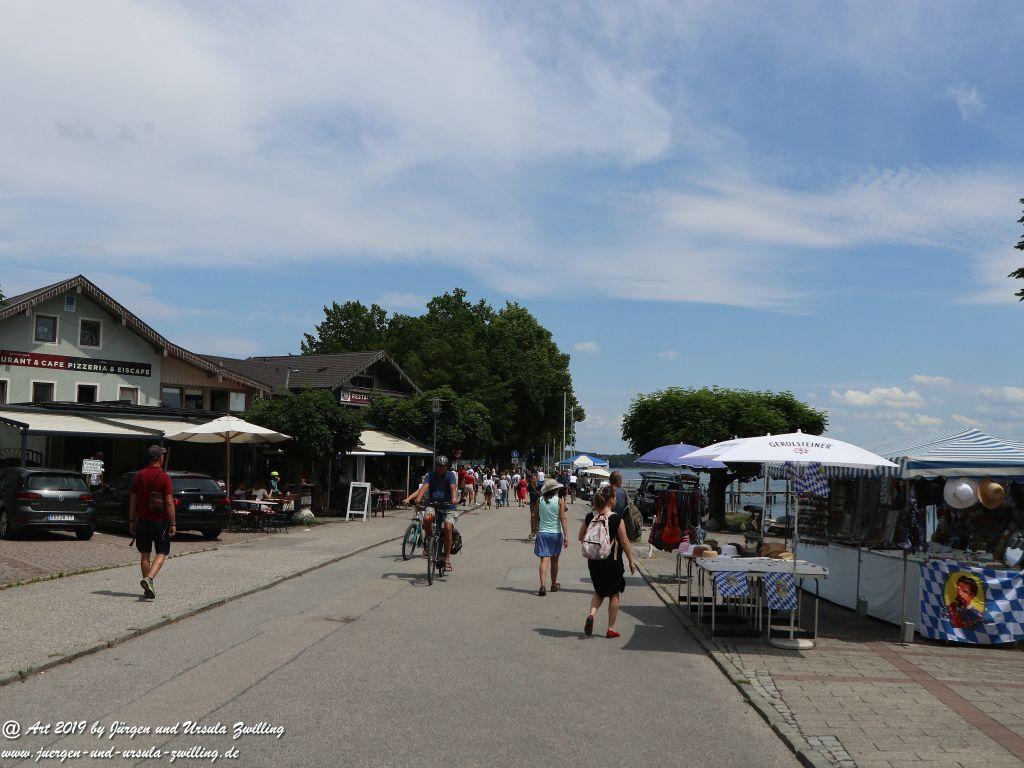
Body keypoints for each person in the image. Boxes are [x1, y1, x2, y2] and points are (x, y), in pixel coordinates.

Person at [579, 485, 637, 638]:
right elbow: (625, 542)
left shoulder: (590, 516)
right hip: (612, 561)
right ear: (611, 499)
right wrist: (631, 561)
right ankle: (611, 628)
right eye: (615, 497)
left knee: (599, 592)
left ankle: (592, 614)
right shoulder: (617, 519)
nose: (616, 500)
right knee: (614, 594)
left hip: (594, 561)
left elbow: (580, 537)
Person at [129, 445, 175, 600]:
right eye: (163, 455)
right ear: (160, 457)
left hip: (142, 520)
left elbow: (132, 501)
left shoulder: (139, 475)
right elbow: (169, 502)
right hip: (160, 521)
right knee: (162, 551)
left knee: (145, 554)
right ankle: (149, 579)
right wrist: (173, 523)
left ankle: (148, 587)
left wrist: (132, 520)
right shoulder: (164, 476)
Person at [409, 455, 459, 572]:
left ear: (446, 467)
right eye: (439, 466)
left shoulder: (450, 475)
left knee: (448, 527)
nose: (441, 468)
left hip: (448, 506)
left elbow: (453, 487)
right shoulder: (431, 475)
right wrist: (418, 498)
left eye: (443, 466)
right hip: (433, 504)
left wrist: (454, 498)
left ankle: (447, 559)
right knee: (427, 518)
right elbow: (425, 487)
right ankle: (429, 540)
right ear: (435, 466)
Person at [535, 478, 569, 595]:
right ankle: (554, 585)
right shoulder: (560, 500)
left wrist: (534, 530)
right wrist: (566, 536)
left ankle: (542, 586)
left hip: (542, 533)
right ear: (555, 490)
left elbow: (534, 516)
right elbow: (562, 518)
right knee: (555, 561)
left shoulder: (539, 500)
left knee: (544, 560)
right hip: (556, 533)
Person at [527, 471, 542, 540]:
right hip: (532, 503)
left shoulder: (540, 485)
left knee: (539, 518)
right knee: (533, 517)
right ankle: (532, 531)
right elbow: (526, 493)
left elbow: (545, 493)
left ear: (537, 478)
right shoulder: (529, 486)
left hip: (540, 503)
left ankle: (539, 531)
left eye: (534, 478)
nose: (533, 480)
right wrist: (525, 499)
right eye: (532, 479)